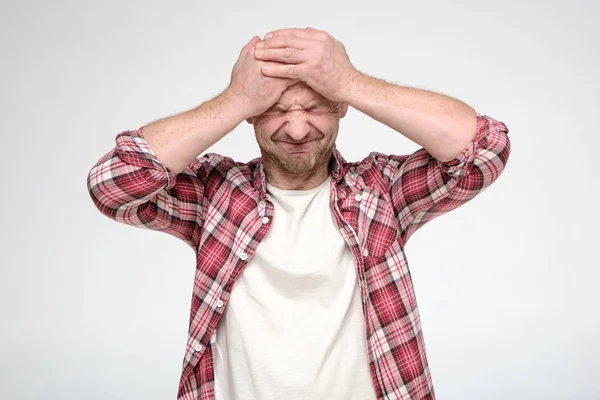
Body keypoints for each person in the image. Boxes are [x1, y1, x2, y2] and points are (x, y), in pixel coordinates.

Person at [87, 27, 511, 400]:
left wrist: (350, 81)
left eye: (314, 108)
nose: (296, 129)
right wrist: (235, 98)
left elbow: (484, 149)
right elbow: (112, 184)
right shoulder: (213, 195)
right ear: (249, 115)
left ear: (342, 106)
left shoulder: (381, 191)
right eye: (274, 109)